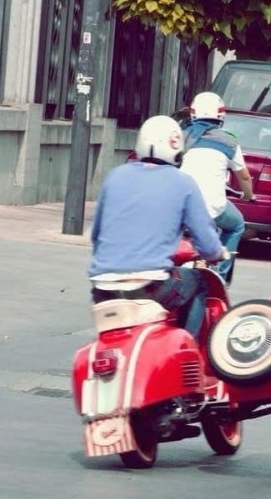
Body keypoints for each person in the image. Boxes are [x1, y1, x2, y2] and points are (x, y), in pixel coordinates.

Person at [89, 115, 228, 342]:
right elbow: (207, 243)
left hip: (103, 287)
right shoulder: (183, 182)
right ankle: (187, 348)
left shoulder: (115, 176)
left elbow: (96, 236)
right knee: (200, 283)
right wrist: (218, 253)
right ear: (177, 147)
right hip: (152, 285)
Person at [181, 91, 255, 284]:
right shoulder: (229, 142)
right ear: (221, 116)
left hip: (181, 206)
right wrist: (249, 195)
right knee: (237, 224)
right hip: (214, 208)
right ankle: (219, 276)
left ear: (193, 113)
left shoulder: (180, 137)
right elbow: (245, 177)